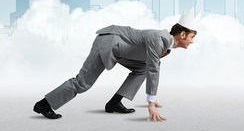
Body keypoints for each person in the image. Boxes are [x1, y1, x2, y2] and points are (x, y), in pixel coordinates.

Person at [33, 10, 197, 122]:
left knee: (143, 68)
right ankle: (43, 105)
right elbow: (154, 69)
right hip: (108, 42)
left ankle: (114, 103)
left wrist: (152, 97)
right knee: (83, 82)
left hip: (122, 50)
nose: (192, 41)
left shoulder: (165, 43)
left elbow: (152, 66)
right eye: (191, 37)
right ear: (182, 34)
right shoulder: (159, 39)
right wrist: (151, 103)